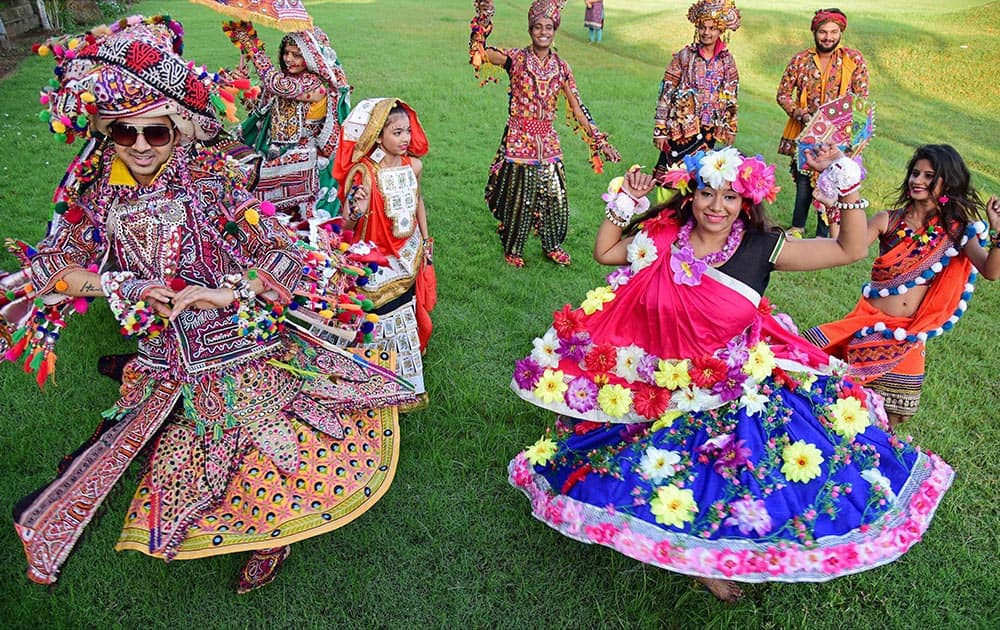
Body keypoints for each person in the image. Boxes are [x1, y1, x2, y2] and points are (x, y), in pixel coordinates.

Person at [4, 16, 414, 592]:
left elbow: (279, 251)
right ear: (105, 131)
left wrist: (227, 291)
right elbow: (55, 270)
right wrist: (123, 287)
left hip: (235, 330)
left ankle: (274, 536)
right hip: (162, 342)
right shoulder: (94, 186)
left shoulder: (209, 175)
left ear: (179, 128)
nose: (141, 146)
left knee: (261, 436)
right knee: (164, 435)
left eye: (157, 132)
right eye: (125, 133)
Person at [506, 146, 954, 602]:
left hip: (736, 381)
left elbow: (849, 248)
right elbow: (605, 252)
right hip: (668, 381)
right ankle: (693, 551)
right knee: (649, 468)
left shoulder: (762, 247)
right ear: (690, 194)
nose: (716, 207)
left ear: (747, 202)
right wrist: (627, 204)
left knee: (742, 474)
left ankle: (715, 555)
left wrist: (848, 185)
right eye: (706, 193)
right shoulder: (667, 237)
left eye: (731, 197)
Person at [804, 144, 999, 429]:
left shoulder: (956, 231)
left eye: (929, 176)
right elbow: (846, 245)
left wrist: (997, 231)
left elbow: (990, 271)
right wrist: (835, 206)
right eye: (915, 173)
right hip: (866, 325)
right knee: (836, 395)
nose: (917, 180)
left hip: (908, 335)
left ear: (948, 182)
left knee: (890, 417)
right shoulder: (888, 220)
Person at [469, 0, 621, 268]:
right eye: (537, 27)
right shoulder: (515, 59)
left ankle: (552, 244)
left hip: (548, 141)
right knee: (520, 196)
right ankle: (513, 247)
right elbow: (479, 54)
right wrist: (482, 19)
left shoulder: (562, 67)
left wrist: (600, 141)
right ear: (530, 30)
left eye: (548, 27)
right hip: (518, 137)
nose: (543, 32)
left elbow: (577, 106)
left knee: (555, 194)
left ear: (555, 30)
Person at [332, 98, 435, 402]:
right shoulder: (364, 173)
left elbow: (417, 202)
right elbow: (347, 226)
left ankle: (405, 381)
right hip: (375, 260)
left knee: (404, 315)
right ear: (378, 135)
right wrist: (357, 209)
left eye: (407, 132)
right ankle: (370, 380)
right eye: (397, 133)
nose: (405, 139)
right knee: (378, 319)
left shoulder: (413, 166)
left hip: (408, 253)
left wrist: (426, 241)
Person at [225, 21, 351, 226]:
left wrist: (252, 47)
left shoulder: (317, 85)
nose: (288, 59)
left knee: (302, 224)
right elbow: (260, 111)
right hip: (277, 154)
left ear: (311, 57)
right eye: (286, 53)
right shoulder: (288, 78)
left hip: (306, 162)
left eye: (296, 54)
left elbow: (279, 86)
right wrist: (244, 83)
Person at [776, 8, 868, 238]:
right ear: (814, 32)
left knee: (832, 180)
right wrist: (801, 114)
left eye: (834, 32)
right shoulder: (801, 60)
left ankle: (823, 232)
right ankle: (797, 226)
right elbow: (783, 93)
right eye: (823, 32)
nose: (828, 37)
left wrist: (851, 135)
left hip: (839, 135)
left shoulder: (853, 60)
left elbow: (861, 99)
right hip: (807, 129)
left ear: (841, 32)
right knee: (804, 178)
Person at [652, 0, 740, 183]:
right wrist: (660, 129)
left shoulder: (727, 61)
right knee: (670, 175)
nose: (706, 32)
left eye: (712, 28)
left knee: (700, 177)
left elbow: (731, 96)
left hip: (709, 128)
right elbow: (666, 91)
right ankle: (666, 209)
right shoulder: (684, 56)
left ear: (721, 30)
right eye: (702, 27)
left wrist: (731, 127)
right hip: (679, 126)